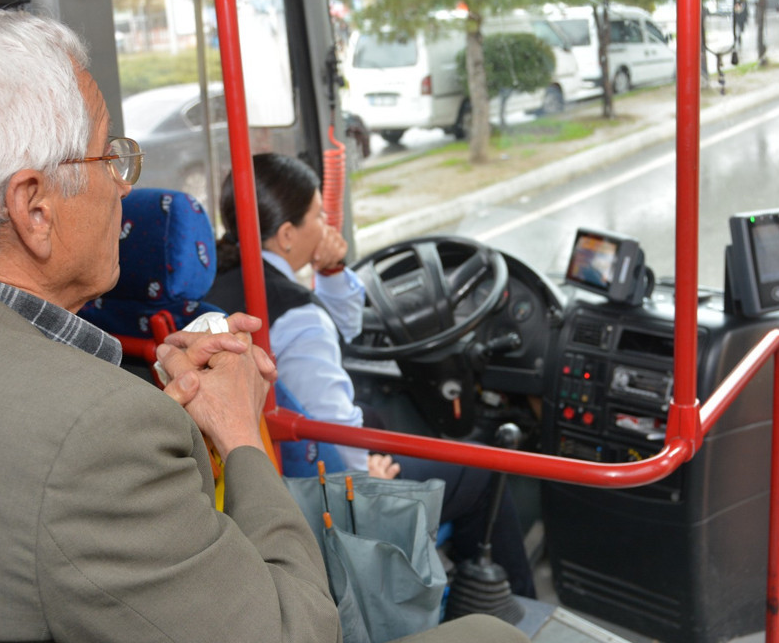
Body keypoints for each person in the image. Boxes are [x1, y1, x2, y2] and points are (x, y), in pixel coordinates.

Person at [0, 5, 526, 643]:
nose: (123, 185)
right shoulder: (98, 434)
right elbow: (294, 631)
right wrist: (239, 435)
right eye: (110, 155)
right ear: (34, 209)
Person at [208, 152, 537, 599]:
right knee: (480, 470)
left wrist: (331, 270)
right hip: (321, 489)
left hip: (248, 475)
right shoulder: (298, 319)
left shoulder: (213, 285)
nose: (328, 226)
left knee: (381, 416)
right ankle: (508, 603)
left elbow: (342, 329)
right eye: (319, 215)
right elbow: (331, 424)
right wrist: (365, 484)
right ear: (287, 235)